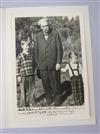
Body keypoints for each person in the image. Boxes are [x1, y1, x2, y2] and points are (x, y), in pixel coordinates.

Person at [34, 18, 63, 106]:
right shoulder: (38, 36)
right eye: (43, 26)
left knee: (55, 83)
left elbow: (60, 49)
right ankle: (49, 99)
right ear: (41, 27)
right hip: (42, 64)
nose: (46, 28)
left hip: (53, 64)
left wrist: (58, 62)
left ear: (48, 25)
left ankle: (57, 100)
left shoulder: (55, 33)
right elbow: (36, 50)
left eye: (47, 25)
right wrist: (38, 62)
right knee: (45, 83)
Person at [16, 36, 35, 107]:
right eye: (26, 46)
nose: (27, 47)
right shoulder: (20, 56)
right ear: (22, 46)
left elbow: (33, 64)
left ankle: (31, 102)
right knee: (23, 90)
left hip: (31, 75)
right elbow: (17, 66)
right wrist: (18, 75)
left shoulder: (31, 55)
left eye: (28, 46)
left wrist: (34, 71)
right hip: (23, 76)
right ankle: (23, 104)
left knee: (32, 89)